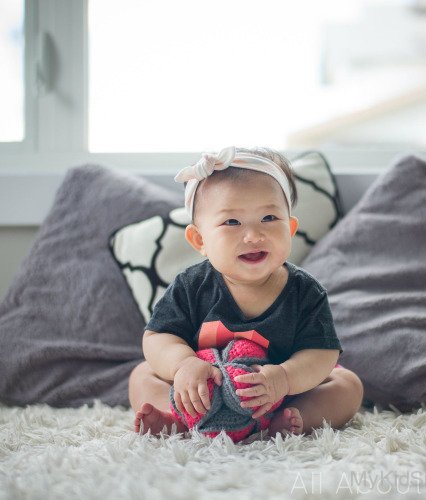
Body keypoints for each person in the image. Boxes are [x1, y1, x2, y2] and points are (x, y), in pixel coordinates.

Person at [129, 146, 363, 438]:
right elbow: (158, 337)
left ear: (290, 228)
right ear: (199, 239)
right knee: (142, 375)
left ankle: (293, 420)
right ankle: (179, 417)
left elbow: (322, 352)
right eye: (232, 222)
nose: (253, 235)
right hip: (202, 392)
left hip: (276, 395)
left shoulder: (305, 292)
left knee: (347, 384)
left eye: (268, 218)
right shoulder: (191, 286)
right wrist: (183, 365)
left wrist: (286, 378)